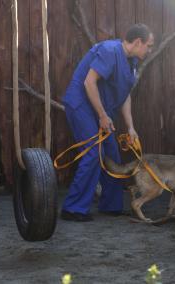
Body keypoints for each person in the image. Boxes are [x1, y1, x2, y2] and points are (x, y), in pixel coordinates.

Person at [61, 24, 154, 222]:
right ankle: (73, 208)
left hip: (99, 109)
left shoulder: (132, 62)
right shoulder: (109, 50)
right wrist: (103, 115)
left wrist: (130, 127)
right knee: (94, 153)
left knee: (112, 153)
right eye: (149, 45)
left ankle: (110, 206)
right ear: (138, 42)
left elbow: (125, 95)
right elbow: (89, 82)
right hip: (81, 104)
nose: (150, 50)